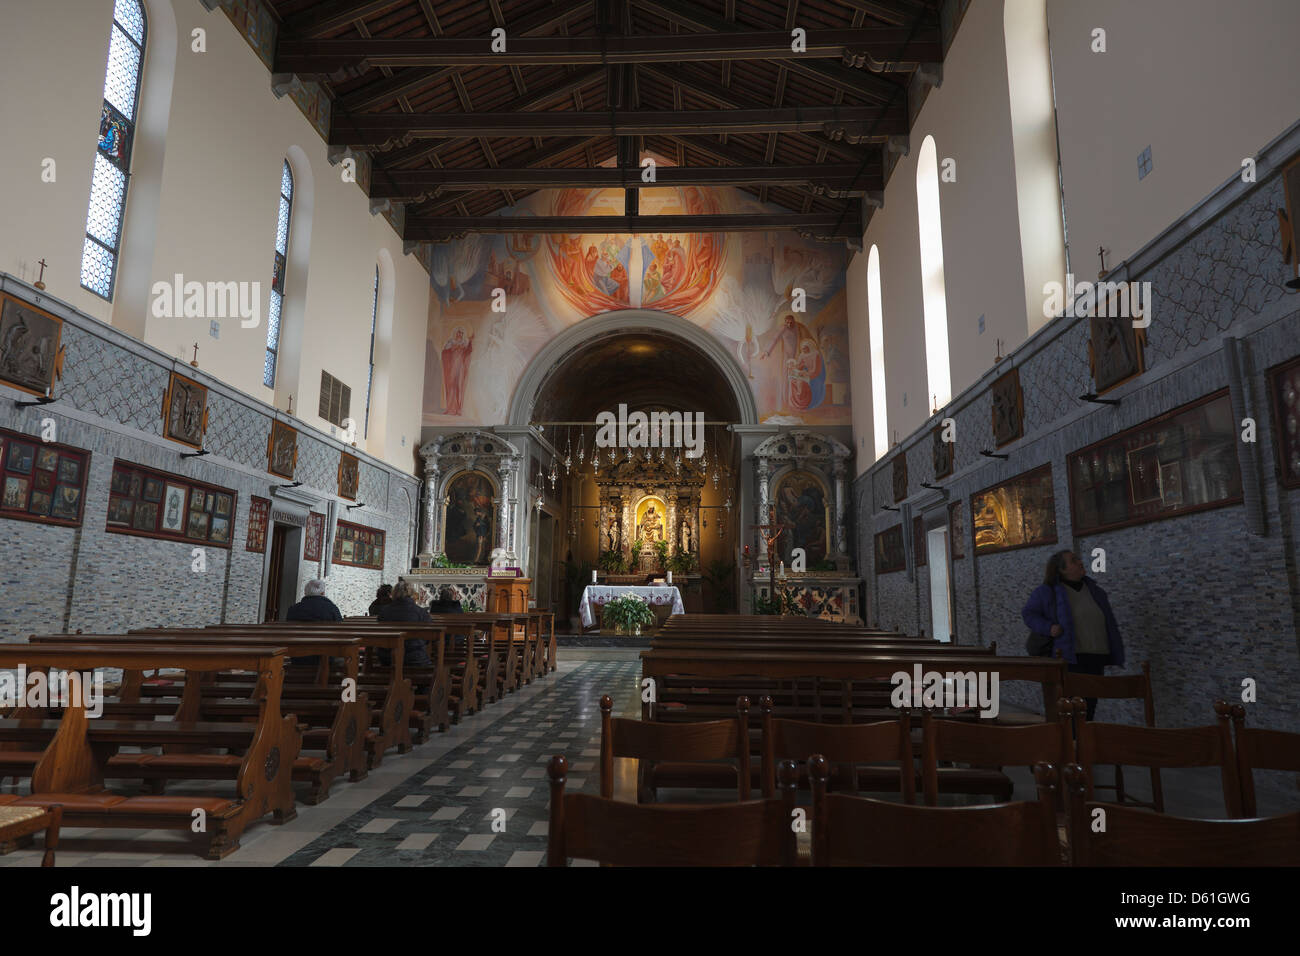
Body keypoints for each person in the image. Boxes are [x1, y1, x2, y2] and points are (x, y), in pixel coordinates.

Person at [1022, 549, 1126, 720]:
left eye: (1078, 559)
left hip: (1096, 657)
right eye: (1073, 560)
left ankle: (1082, 743)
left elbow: (1109, 624)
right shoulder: (1047, 592)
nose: (1080, 562)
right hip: (1071, 659)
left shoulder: (1095, 591)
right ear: (1062, 569)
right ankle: (1072, 744)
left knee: (1089, 708)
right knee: (1072, 710)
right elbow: (1029, 614)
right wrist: (1049, 628)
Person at [375, 581, 433, 667]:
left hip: (387, 657)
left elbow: (380, 635)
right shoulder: (421, 612)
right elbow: (428, 636)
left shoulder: (384, 612)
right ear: (412, 593)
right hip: (414, 657)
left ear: (394, 593)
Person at [285, 579, 342, 665]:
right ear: (323, 593)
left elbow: (288, 632)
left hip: (298, 657)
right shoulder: (332, 609)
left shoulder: (293, 609)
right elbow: (340, 631)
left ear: (305, 593)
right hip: (325, 657)